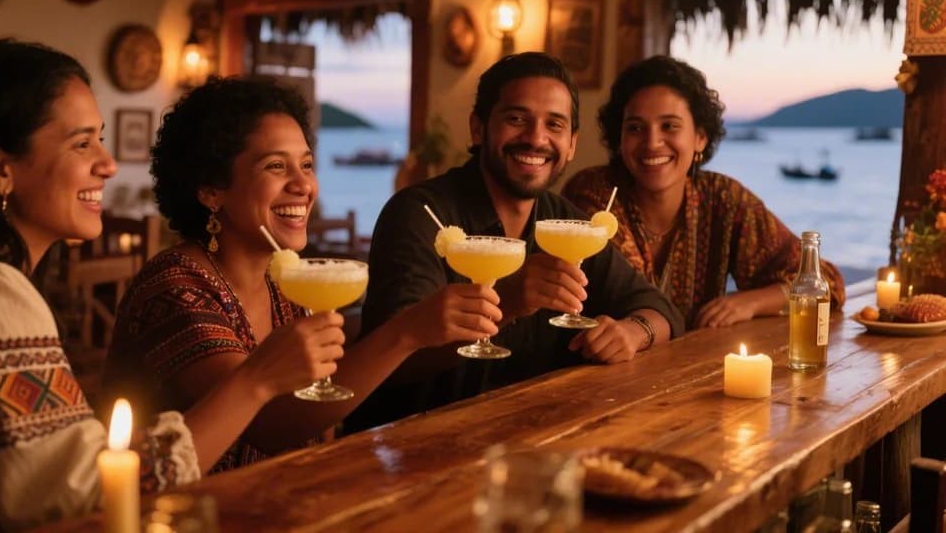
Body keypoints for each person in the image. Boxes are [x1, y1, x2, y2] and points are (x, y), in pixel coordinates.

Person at [0, 40, 340, 530]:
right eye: (81, 143)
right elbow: (83, 501)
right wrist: (257, 379)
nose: (108, 164)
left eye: (101, 138)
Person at [101, 76, 501, 471]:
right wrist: (406, 332)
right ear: (211, 190)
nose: (304, 185)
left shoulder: (285, 283)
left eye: (307, 165)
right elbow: (272, 426)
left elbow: (317, 425)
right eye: (276, 166)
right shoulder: (174, 287)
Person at [345, 52, 683, 433]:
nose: (536, 138)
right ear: (478, 129)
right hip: (414, 446)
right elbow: (397, 359)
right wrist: (506, 302)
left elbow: (660, 309)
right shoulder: (419, 214)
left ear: (571, 144)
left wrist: (633, 333)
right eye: (516, 119)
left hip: (531, 439)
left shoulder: (568, 226)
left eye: (554, 125)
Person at [561, 55, 846, 328]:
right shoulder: (595, 196)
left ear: (700, 137)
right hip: (597, 371)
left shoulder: (723, 198)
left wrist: (751, 303)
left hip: (693, 368)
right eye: (635, 127)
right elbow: (637, 304)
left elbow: (827, 283)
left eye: (669, 126)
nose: (652, 142)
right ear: (619, 138)